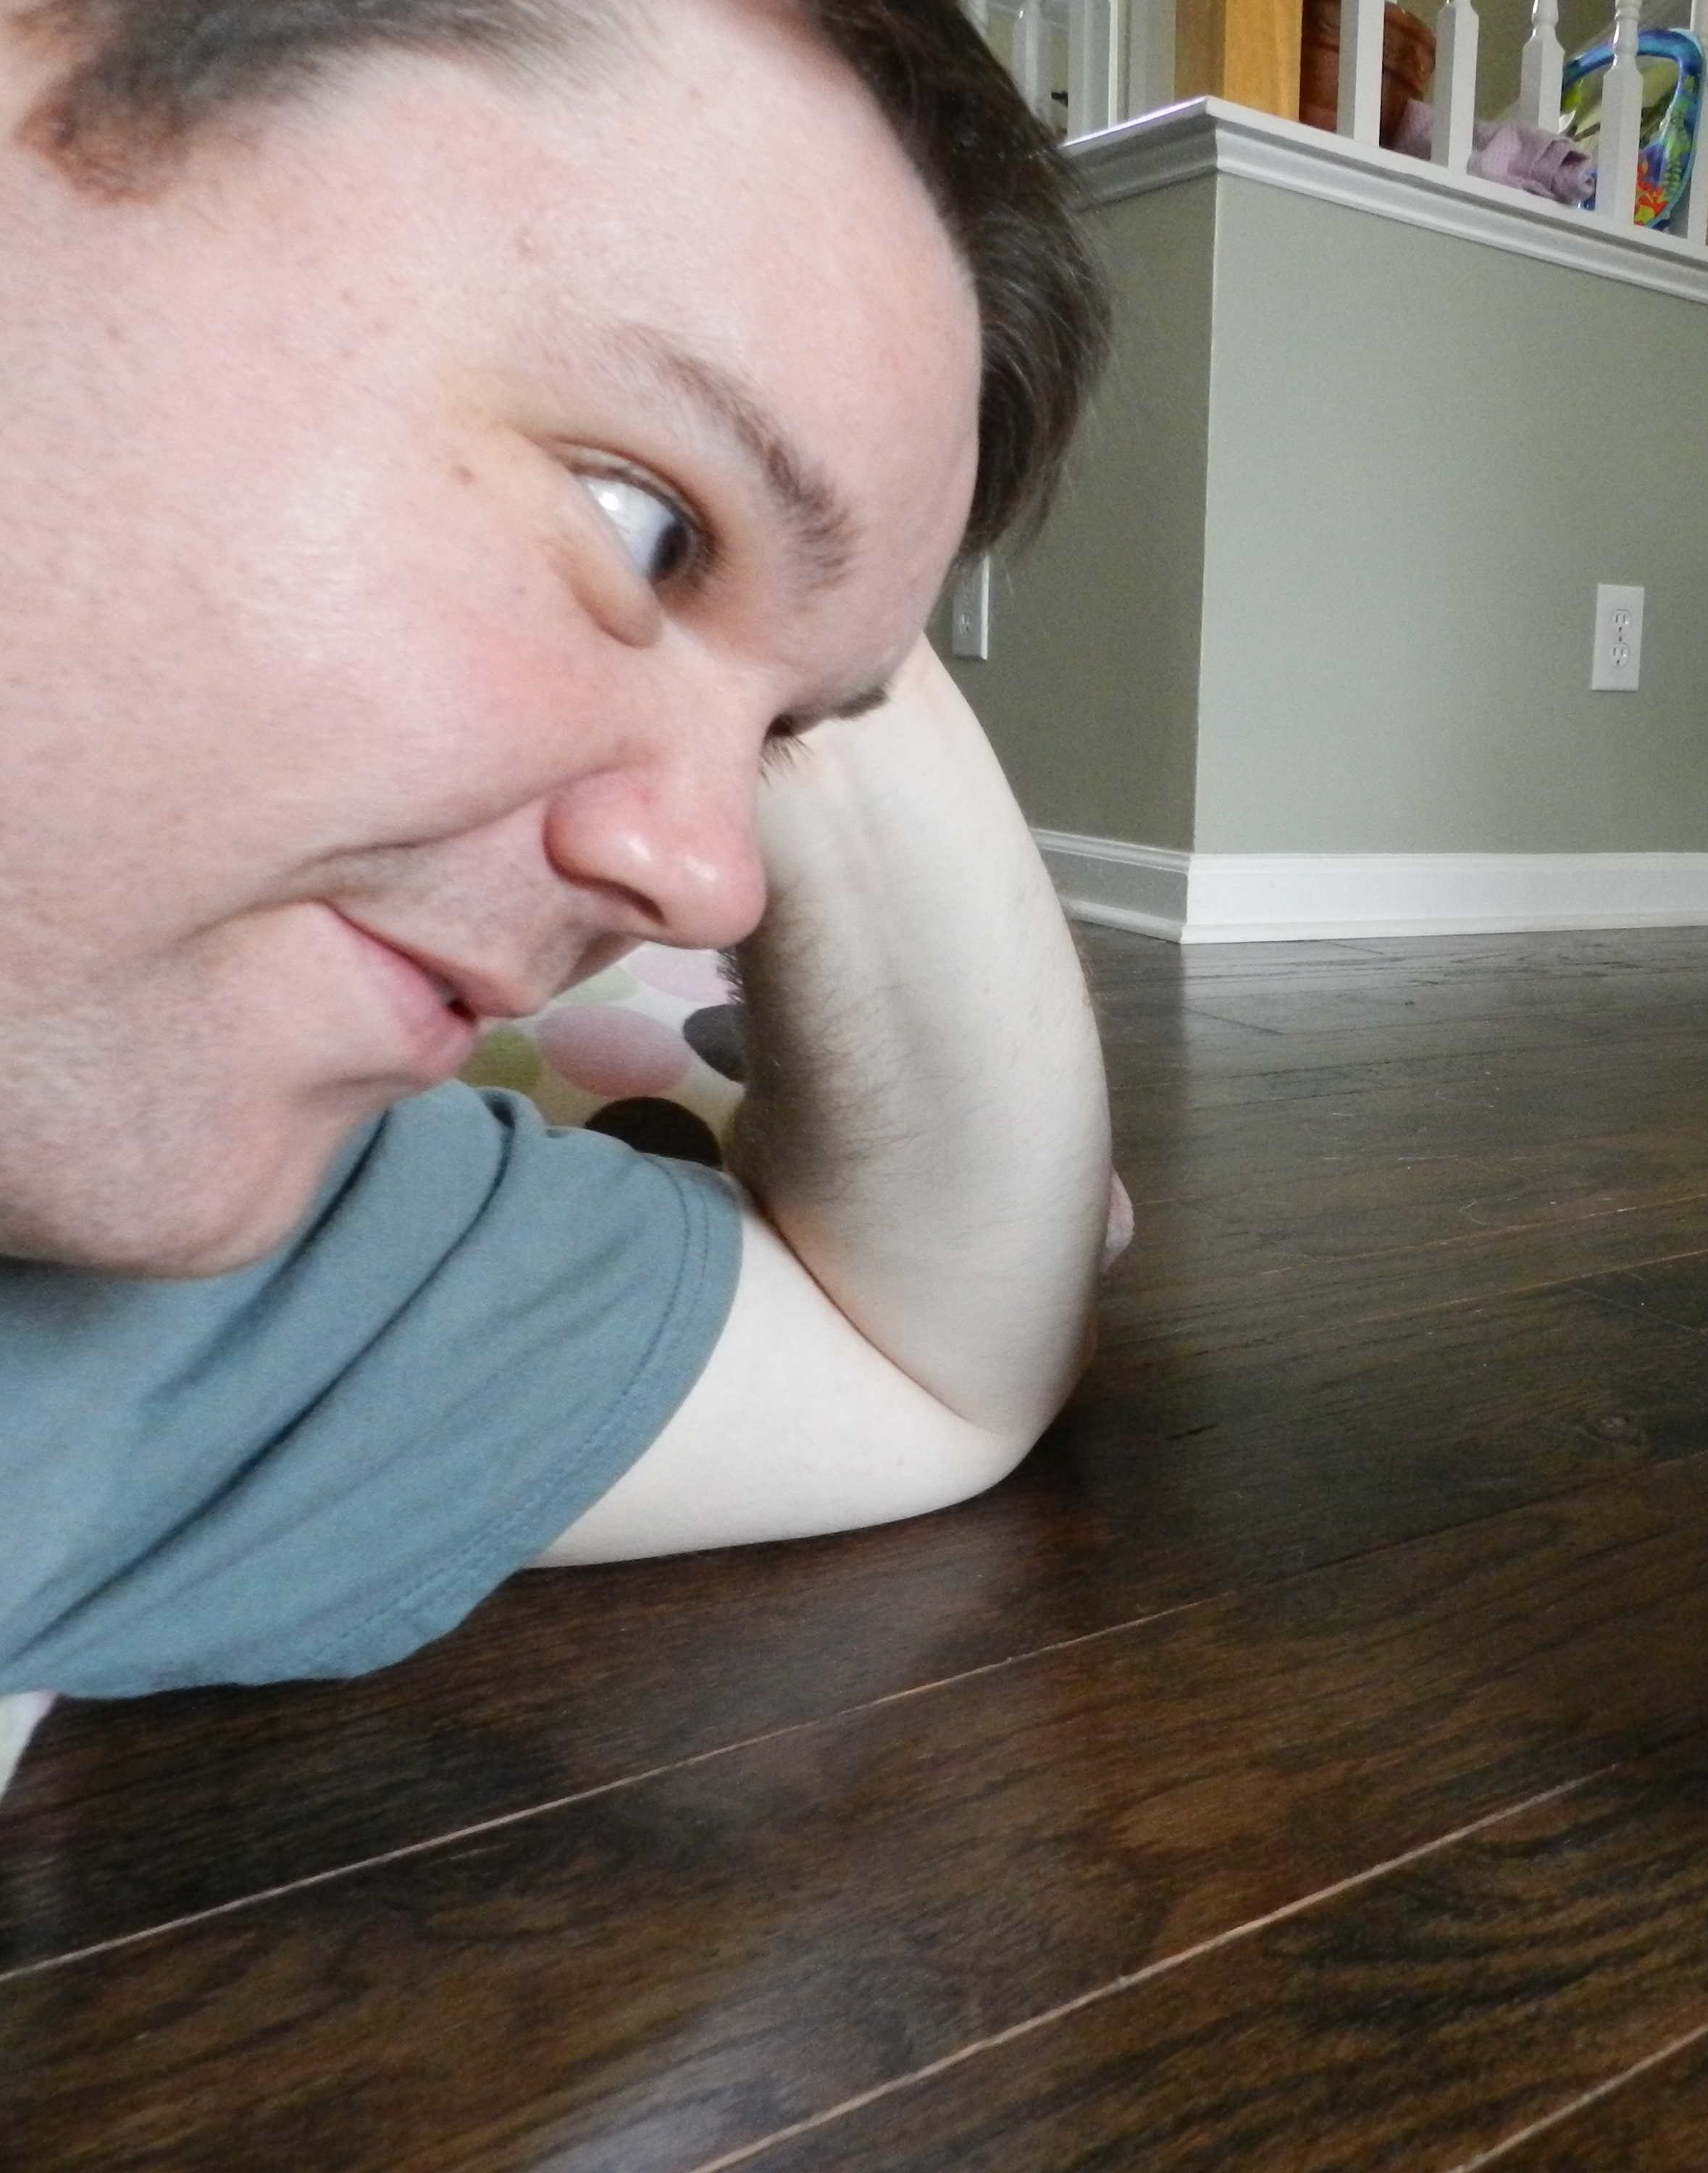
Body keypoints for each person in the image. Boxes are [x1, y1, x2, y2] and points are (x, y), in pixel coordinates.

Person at [0, 0, 1115, 1793]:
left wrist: (837, 613)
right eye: (641, 521)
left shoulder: (148, 1319)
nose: (709, 887)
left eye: (779, 742)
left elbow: (936, 1365)